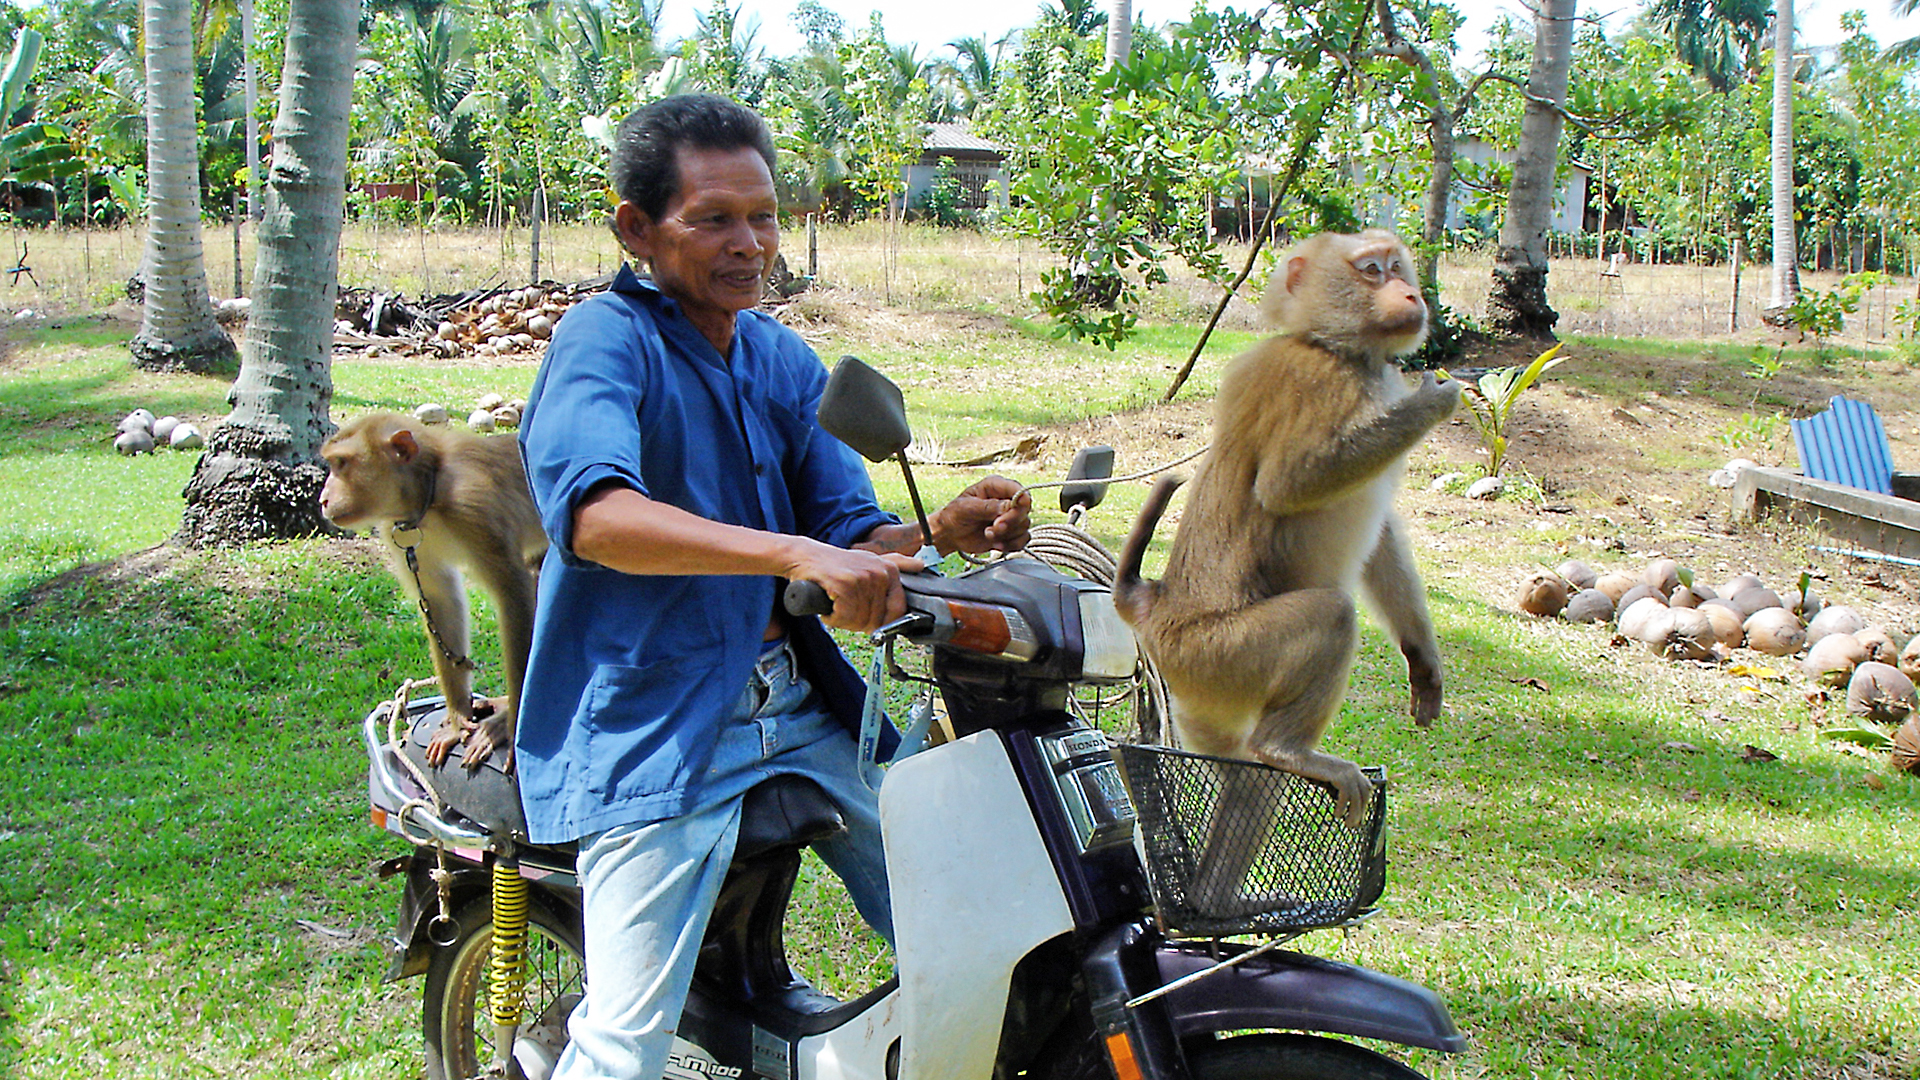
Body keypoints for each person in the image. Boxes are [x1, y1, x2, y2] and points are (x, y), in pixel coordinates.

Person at [515, 92, 1032, 1080]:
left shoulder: (778, 356)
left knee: (980, 914)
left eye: (762, 214)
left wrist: (933, 532)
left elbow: (846, 529)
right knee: (624, 1045)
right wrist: (790, 556)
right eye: (712, 218)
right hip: (655, 726)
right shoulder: (604, 341)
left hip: (799, 709)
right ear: (637, 228)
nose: (748, 242)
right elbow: (594, 518)